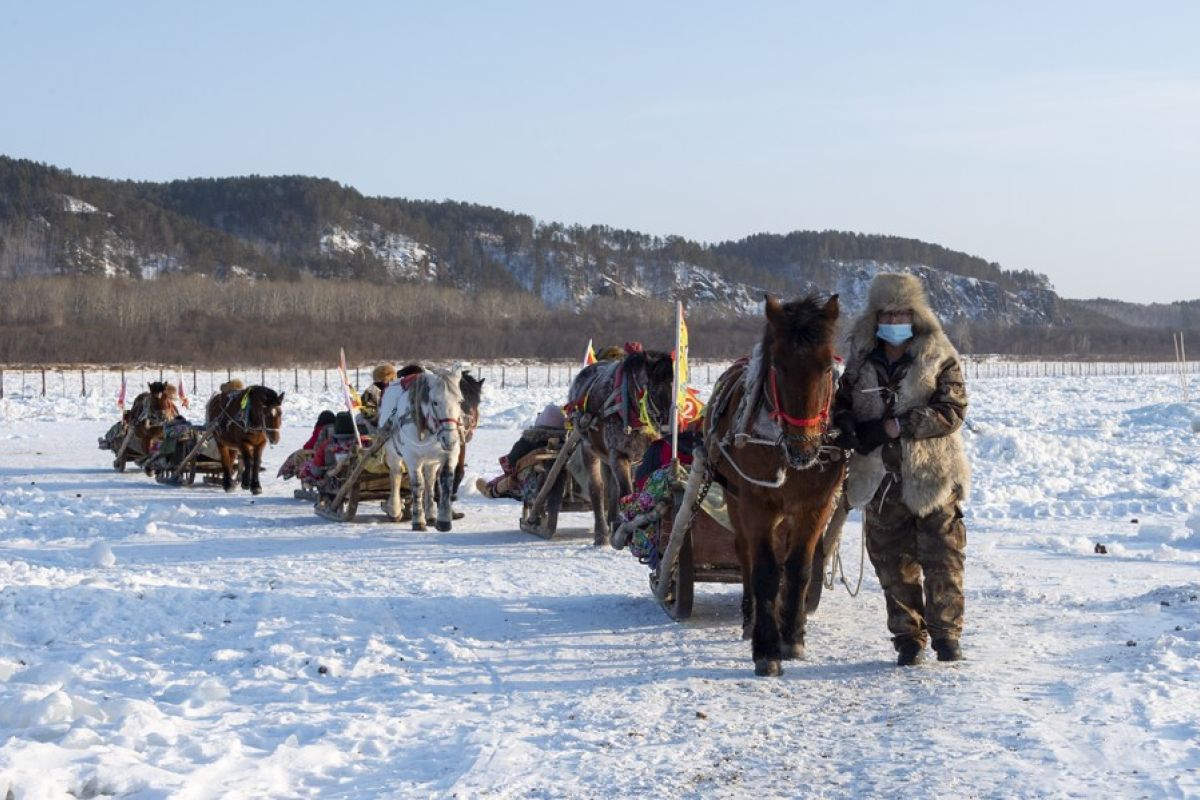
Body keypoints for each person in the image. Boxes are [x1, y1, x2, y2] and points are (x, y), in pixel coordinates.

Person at [832, 273, 970, 667]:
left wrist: (897, 426)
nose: (894, 320)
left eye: (901, 313)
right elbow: (842, 402)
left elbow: (953, 410)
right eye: (886, 313)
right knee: (892, 564)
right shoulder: (860, 359)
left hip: (932, 475)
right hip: (879, 477)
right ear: (876, 317)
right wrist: (848, 427)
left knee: (943, 557)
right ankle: (908, 638)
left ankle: (946, 636)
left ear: (915, 314)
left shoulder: (938, 354)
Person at [475, 403, 567, 499]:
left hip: (528, 484)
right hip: (559, 482)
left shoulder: (529, 440)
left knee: (510, 477)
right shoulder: (564, 442)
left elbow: (511, 461)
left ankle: (490, 489)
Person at [359, 364, 397, 432]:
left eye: (393, 379)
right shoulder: (371, 392)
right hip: (373, 428)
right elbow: (368, 413)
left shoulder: (395, 390)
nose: (392, 381)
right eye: (390, 379)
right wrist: (383, 423)